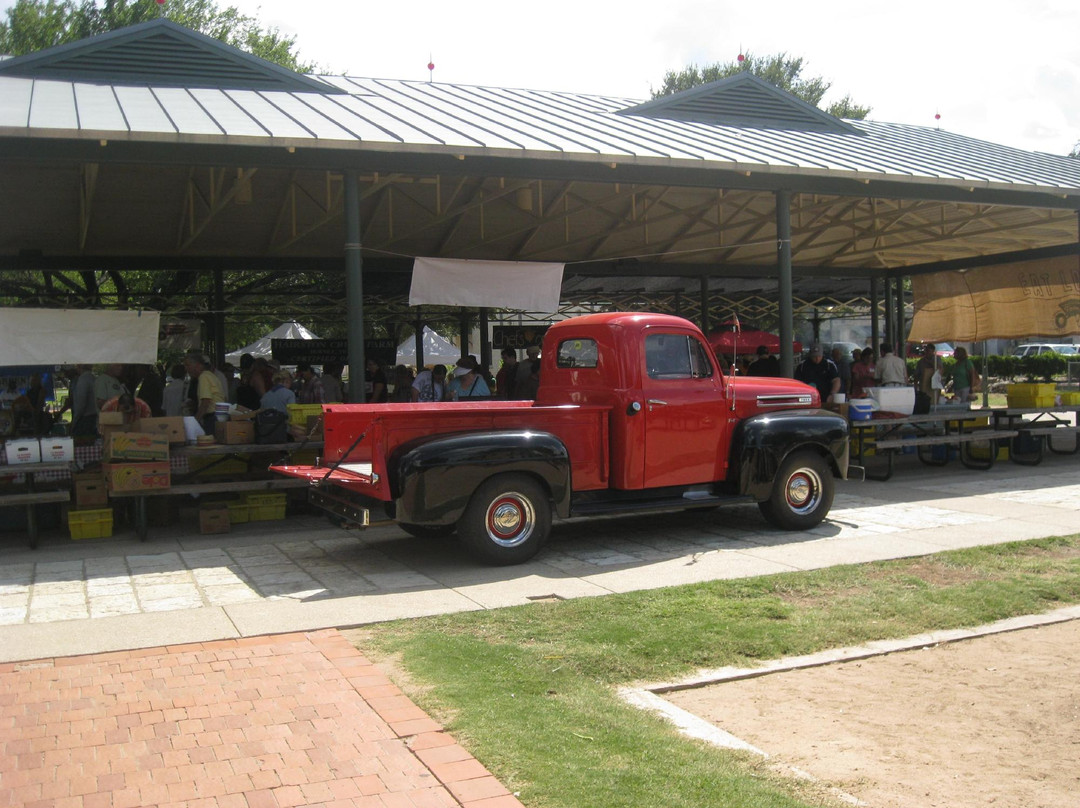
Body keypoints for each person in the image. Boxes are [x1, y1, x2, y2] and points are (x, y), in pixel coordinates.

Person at [183, 352, 226, 434]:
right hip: (218, 415)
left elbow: (206, 401)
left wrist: (195, 421)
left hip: (212, 417)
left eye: (188, 365)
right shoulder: (210, 376)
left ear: (198, 365)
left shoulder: (204, 377)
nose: (186, 369)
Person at [69, 364, 99, 437]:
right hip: (94, 418)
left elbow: (80, 405)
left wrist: (74, 422)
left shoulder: (83, 380)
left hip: (85, 421)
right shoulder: (94, 378)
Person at [913, 344, 938, 414]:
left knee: (933, 400)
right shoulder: (921, 361)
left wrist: (930, 363)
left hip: (934, 386)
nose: (927, 353)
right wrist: (915, 385)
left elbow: (940, 369)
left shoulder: (937, 359)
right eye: (926, 351)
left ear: (933, 351)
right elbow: (916, 375)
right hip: (923, 386)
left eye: (929, 351)